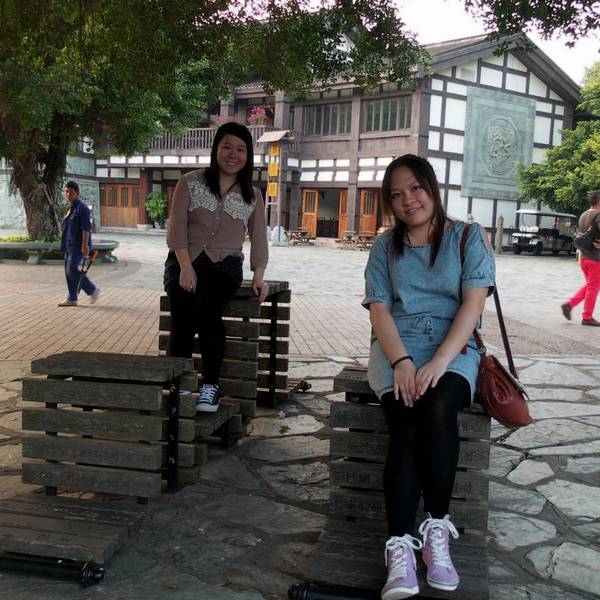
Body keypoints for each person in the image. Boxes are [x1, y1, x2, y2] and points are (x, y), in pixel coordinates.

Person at [362, 155, 495, 599]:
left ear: (431, 187)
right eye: (396, 194)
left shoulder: (467, 237)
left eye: (415, 188)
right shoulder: (384, 247)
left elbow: (473, 306)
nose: (408, 200)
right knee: (404, 415)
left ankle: (437, 529)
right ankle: (399, 545)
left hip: (452, 346)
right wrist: (402, 361)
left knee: (437, 406)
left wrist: (439, 362)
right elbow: (380, 310)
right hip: (396, 345)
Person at [165, 122, 269, 413]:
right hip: (183, 259)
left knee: (209, 309)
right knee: (182, 313)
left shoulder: (253, 195)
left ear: (248, 155)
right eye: (227, 147)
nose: (233, 155)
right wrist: (185, 267)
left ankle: (210, 386)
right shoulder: (190, 182)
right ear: (216, 149)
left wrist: (259, 275)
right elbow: (176, 229)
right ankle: (179, 387)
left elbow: (259, 237)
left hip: (225, 265)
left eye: (241, 149)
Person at [561, 190, 600, 326]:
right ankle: (587, 317)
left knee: (590, 286)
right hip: (596, 258)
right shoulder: (598, 215)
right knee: (593, 288)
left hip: (583, 256)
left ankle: (569, 305)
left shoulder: (584, 214)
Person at [58, 181, 100, 307]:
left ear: (77, 193)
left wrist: (85, 245)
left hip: (78, 245)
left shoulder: (82, 208)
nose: (68, 194)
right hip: (69, 245)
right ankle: (72, 298)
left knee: (71, 271)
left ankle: (92, 290)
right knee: (68, 272)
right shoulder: (71, 208)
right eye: (66, 191)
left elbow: (86, 228)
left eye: (71, 192)